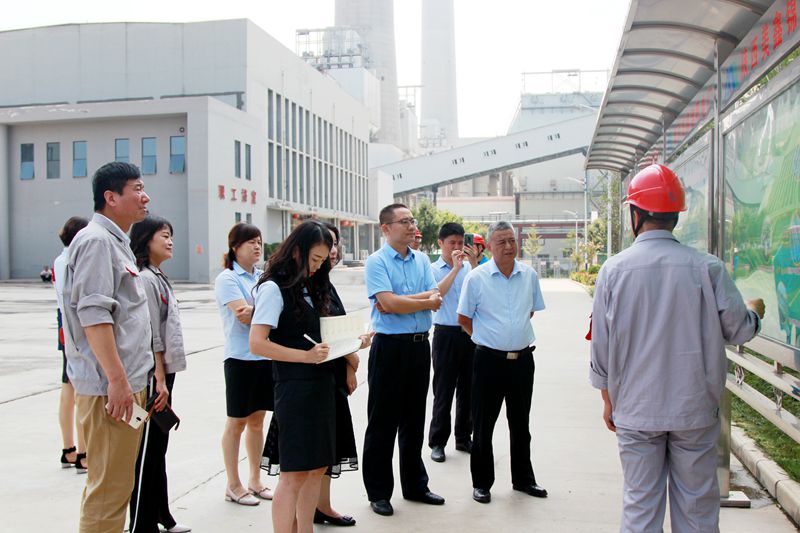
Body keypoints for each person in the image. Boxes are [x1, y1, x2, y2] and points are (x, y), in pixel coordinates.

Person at [589, 164, 765, 532]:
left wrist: (608, 401)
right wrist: (754, 312)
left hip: (636, 410)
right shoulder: (707, 268)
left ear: (636, 215)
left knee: (640, 509)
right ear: (676, 216)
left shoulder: (613, 271)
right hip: (693, 410)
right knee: (697, 511)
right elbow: (739, 330)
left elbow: (601, 350)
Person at [250, 220, 370, 533]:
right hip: (295, 390)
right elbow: (258, 343)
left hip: (322, 387)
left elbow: (325, 333)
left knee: (316, 468)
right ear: (297, 251)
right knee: (293, 474)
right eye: (315, 259)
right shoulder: (274, 288)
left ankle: (305, 528)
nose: (318, 266)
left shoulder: (313, 286)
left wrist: (354, 343)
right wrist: (305, 356)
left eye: (322, 260)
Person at [61, 161, 155, 532]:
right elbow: (94, 316)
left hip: (124, 385)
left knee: (115, 486)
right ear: (111, 197)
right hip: (111, 391)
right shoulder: (97, 242)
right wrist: (117, 382)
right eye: (137, 189)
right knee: (108, 492)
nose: (145, 197)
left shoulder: (115, 242)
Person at [457, 220, 547, 504]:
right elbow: (463, 318)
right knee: (484, 425)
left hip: (522, 361)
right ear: (489, 246)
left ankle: (523, 479)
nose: (508, 246)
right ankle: (482, 483)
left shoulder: (529, 275)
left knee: (521, 424)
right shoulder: (477, 278)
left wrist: (511, 334)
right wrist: (488, 338)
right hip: (488, 362)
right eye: (501, 242)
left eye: (512, 240)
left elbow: (529, 311)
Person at [363, 203, 444, 517]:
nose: (412, 226)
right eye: (405, 221)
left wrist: (400, 302)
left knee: (414, 420)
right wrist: (416, 301)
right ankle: (379, 492)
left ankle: (415, 486)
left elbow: (435, 296)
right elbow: (388, 303)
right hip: (389, 349)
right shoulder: (377, 261)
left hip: (420, 347)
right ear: (386, 228)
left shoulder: (421, 259)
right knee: (382, 423)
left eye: (412, 221)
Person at [128, 215, 191, 533]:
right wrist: (161, 381)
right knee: (147, 452)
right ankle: (141, 523)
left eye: (171, 235)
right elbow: (151, 334)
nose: (170, 241)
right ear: (145, 239)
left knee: (158, 448)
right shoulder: (145, 279)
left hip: (165, 373)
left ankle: (162, 514)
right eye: (164, 235)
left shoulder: (158, 276)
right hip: (155, 375)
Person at [214, 223, 273, 506]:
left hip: (264, 356)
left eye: (259, 241)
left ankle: (255, 480)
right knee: (237, 422)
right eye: (250, 241)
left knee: (258, 421)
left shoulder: (263, 277)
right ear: (235, 246)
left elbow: (266, 313)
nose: (257, 246)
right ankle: (233, 484)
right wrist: (264, 311)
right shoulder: (227, 278)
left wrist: (258, 311)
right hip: (240, 358)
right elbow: (243, 316)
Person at [428, 222, 478, 463]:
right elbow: (436, 294)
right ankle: (438, 441)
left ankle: (463, 437)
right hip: (445, 334)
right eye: (452, 243)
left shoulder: (470, 268)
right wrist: (456, 269)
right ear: (441, 243)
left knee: (468, 389)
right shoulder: (433, 269)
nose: (457, 247)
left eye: (460, 242)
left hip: (469, 333)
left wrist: (473, 265)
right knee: (443, 390)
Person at [54, 216, 89, 473]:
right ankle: (83, 453)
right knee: (81, 390)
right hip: (77, 326)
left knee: (68, 389)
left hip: (64, 324)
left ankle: (69, 449)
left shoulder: (60, 259)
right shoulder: (75, 260)